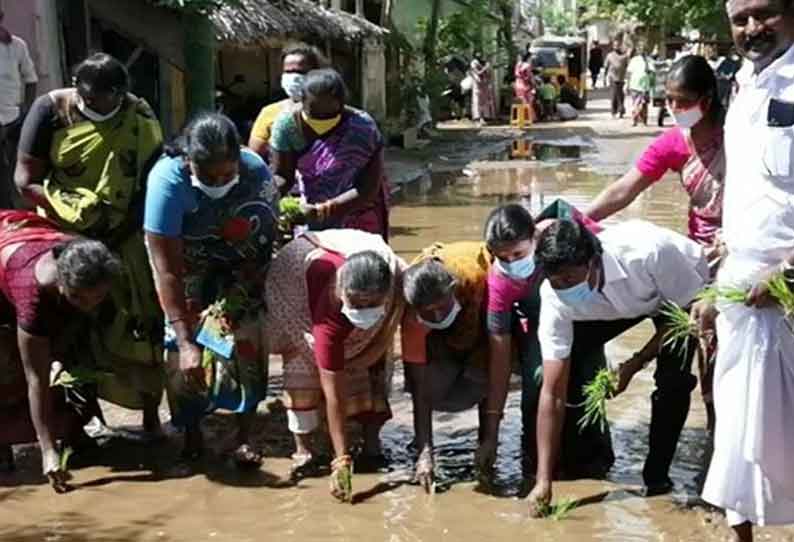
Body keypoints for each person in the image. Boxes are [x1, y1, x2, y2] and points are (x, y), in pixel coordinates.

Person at [15, 53, 165, 434]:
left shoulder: (139, 117)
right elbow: (25, 180)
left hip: (126, 234)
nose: (92, 105)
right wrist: (75, 213)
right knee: (76, 328)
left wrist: (115, 231)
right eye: (86, 97)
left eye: (103, 99)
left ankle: (150, 418)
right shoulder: (50, 110)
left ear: (121, 94)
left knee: (140, 321)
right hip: (68, 237)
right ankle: (82, 421)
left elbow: (150, 183)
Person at [527, 219, 708, 515]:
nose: (564, 289)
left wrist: (633, 365)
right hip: (614, 305)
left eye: (570, 279)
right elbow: (553, 392)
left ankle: (657, 480)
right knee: (554, 373)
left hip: (678, 296)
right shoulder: (555, 297)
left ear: (594, 261)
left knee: (672, 381)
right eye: (556, 281)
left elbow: (687, 313)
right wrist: (542, 481)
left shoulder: (649, 253)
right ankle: (582, 460)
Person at [585, 55, 726, 430]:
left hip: (744, 251)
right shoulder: (674, 143)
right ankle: (714, 434)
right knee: (705, 349)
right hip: (701, 256)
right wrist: (579, 223)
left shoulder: (739, 137)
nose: (674, 109)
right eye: (668, 100)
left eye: (683, 102)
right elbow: (624, 189)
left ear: (707, 101)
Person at [697, 1, 794, 539]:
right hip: (740, 289)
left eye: (766, 14)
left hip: (787, 293)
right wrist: (719, 283)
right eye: (741, 19)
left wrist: (787, 273)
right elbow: (750, 197)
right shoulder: (743, 85)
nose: (753, 29)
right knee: (737, 431)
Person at [144, 113, 277, 464]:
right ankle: (192, 431)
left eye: (227, 173)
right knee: (179, 351)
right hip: (185, 262)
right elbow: (166, 270)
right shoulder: (166, 181)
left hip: (243, 260)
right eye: (208, 175)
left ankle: (244, 433)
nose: (219, 180)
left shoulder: (256, 173)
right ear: (189, 161)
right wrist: (188, 340)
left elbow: (264, 244)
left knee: (247, 335)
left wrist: (237, 302)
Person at [263, 229, 405, 500]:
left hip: (361, 259)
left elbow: (387, 334)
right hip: (295, 282)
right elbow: (334, 393)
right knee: (304, 362)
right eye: (357, 303)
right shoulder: (327, 309)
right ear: (341, 293)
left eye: (372, 304)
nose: (364, 310)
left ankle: (371, 440)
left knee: (374, 366)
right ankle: (304, 449)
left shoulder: (395, 279)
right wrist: (341, 459)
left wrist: (374, 343)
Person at [0, 210, 120, 492]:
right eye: (79, 298)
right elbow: (36, 378)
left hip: (28, 248)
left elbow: (83, 317)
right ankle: (4, 445)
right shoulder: (32, 293)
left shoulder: (92, 262)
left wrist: (63, 351)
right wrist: (47, 451)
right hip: (8, 273)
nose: (90, 304)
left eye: (98, 298)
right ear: (61, 284)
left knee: (76, 359)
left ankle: (74, 432)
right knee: (8, 366)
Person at [401, 242, 492, 491]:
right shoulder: (412, 313)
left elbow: (497, 354)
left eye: (442, 307)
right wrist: (425, 453)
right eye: (429, 312)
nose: (439, 316)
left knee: (482, 376)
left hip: (481, 320)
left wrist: (488, 440)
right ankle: (421, 441)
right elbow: (419, 386)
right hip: (441, 339)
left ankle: (484, 442)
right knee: (432, 386)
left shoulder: (478, 279)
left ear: (452, 290)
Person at [270, 68, 389, 238]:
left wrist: (324, 209)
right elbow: (282, 176)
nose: (322, 118)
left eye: (330, 114)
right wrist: (270, 201)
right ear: (301, 101)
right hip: (311, 214)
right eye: (315, 113)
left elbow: (368, 188)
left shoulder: (362, 128)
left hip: (359, 213)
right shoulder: (287, 127)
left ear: (342, 104)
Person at [248, 43, 325, 163]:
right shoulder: (269, 112)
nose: (293, 77)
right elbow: (255, 158)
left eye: (299, 72)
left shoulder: (330, 110)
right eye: (288, 72)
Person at [0, 7, 37, 209]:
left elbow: (31, 79)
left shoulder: (16, 46)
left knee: (21, 173)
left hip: (14, 119)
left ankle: (24, 215)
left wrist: (27, 112)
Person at [627, 46, 655, 126]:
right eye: (640, 50)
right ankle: (634, 119)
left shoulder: (649, 60)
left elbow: (652, 72)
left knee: (644, 104)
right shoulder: (634, 60)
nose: (642, 51)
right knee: (635, 103)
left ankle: (644, 120)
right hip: (635, 85)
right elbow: (629, 73)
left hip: (645, 86)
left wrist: (652, 83)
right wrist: (627, 84)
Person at [469, 53, 497, 124]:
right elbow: (478, 73)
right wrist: (485, 68)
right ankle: (478, 118)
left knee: (484, 102)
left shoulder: (485, 63)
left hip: (484, 85)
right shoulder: (474, 63)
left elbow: (489, 74)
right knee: (478, 102)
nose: (480, 55)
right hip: (477, 85)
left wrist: (488, 73)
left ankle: (484, 117)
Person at [604, 41, 629, 118]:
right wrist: (604, 78)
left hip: (621, 78)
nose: (616, 47)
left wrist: (628, 78)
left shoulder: (624, 56)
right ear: (613, 46)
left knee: (621, 95)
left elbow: (627, 67)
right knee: (615, 94)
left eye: (618, 45)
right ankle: (615, 111)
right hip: (613, 78)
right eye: (615, 46)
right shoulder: (610, 56)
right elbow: (606, 67)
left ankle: (620, 110)